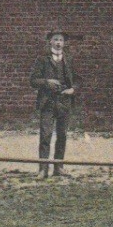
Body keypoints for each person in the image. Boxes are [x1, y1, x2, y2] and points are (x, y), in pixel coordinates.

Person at [28, 30, 76, 177]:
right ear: (50, 42)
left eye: (61, 40)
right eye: (55, 39)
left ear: (64, 43)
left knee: (62, 135)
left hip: (63, 103)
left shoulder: (68, 60)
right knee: (46, 136)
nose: (58, 43)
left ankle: (58, 167)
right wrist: (47, 82)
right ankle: (43, 169)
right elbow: (33, 81)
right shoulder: (42, 59)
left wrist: (72, 90)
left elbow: (77, 79)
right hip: (47, 103)